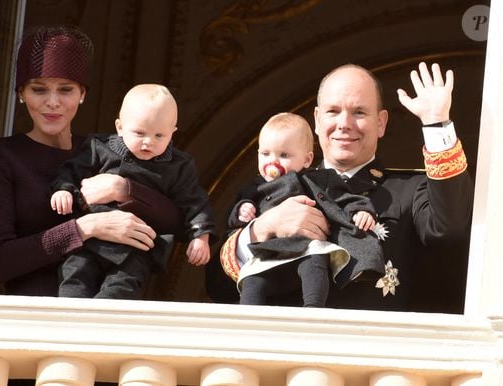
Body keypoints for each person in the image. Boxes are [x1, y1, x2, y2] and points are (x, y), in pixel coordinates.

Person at [220, 62, 473, 312]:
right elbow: (215, 284)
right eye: (333, 111)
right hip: (290, 346)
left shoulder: (408, 190)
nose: (344, 123)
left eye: (359, 112)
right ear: (317, 120)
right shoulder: (275, 188)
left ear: (381, 123)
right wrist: (262, 228)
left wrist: (436, 124)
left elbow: (448, 229)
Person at [0, 26, 183, 299]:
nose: (52, 102)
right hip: (34, 320)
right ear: (21, 93)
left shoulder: (103, 151)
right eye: (38, 89)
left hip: (109, 316)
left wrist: (124, 189)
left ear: (82, 93)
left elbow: (178, 220)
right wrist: (88, 227)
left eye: (66, 89)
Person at [50, 83, 215, 299]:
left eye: (160, 136)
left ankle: (102, 325)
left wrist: (200, 236)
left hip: (137, 247)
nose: (148, 142)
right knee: (75, 279)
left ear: (173, 132)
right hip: (89, 243)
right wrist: (63, 191)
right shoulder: (98, 148)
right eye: (139, 133)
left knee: (122, 289)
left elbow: (194, 202)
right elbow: (71, 172)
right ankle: (70, 325)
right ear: (119, 127)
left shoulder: (178, 166)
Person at [225, 112, 385, 307]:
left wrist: (361, 210)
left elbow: (345, 198)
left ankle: (312, 310)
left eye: (284, 155)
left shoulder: (319, 179)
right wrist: (243, 210)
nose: (272, 161)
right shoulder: (254, 188)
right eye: (265, 153)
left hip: (305, 247)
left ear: (307, 160)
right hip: (269, 253)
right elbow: (234, 219)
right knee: (252, 280)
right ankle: (250, 322)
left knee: (315, 263)